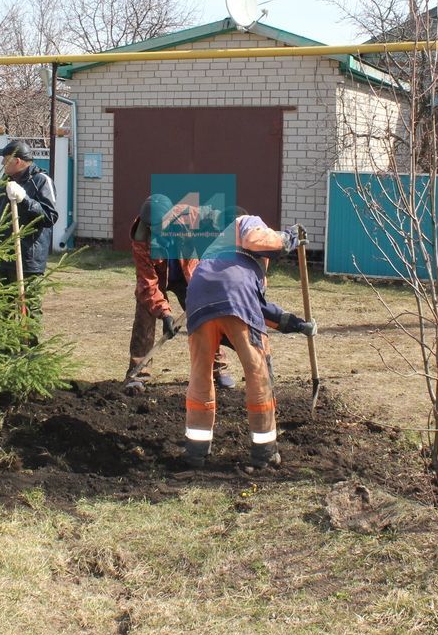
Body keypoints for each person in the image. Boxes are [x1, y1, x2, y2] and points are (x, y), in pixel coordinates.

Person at [181, 214, 316, 470]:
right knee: (258, 372)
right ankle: (264, 453)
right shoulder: (247, 221)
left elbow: (261, 309)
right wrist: (288, 237)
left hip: (199, 298)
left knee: (200, 374)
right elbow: (257, 239)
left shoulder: (217, 253)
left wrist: (299, 324)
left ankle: (195, 452)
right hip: (234, 296)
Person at [125, 195, 235, 394]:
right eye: (152, 228)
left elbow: (213, 216)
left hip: (187, 274)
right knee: (144, 318)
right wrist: (166, 314)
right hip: (157, 279)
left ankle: (219, 368)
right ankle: (137, 374)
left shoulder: (186, 216)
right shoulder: (141, 239)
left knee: (206, 318)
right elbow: (148, 284)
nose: (156, 231)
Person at [0, 140, 59, 317]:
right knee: (1, 310)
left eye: (5, 159)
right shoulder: (5, 182)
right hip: (4, 258)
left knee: (28, 311)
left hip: (28, 260)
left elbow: (50, 216)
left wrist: (25, 200)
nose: (2, 163)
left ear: (17, 161)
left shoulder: (41, 181)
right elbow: (2, 218)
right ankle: (5, 346)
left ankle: (29, 345)